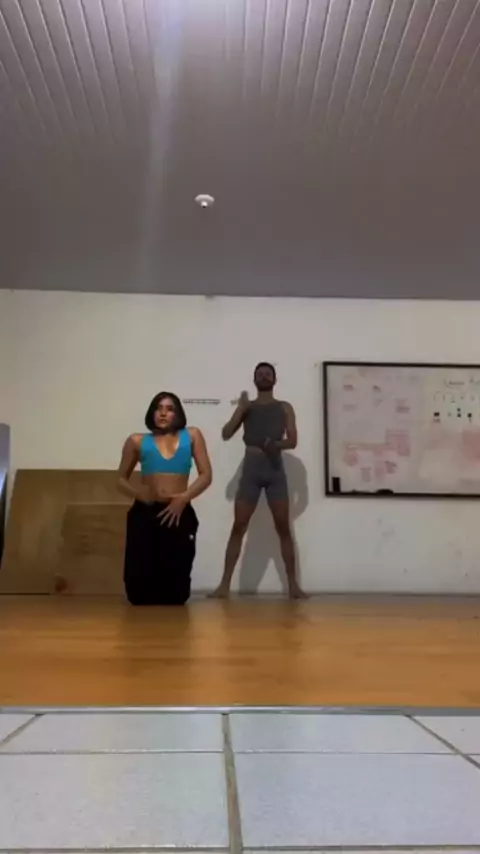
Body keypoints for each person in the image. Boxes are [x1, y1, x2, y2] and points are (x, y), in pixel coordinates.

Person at [210, 362, 307, 600]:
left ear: (275, 379)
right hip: (252, 469)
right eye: (260, 374)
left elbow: (293, 441)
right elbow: (226, 433)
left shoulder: (284, 407)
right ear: (254, 380)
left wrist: (276, 444)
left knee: (283, 527)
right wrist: (240, 409)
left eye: (268, 374)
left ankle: (293, 586)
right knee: (238, 526)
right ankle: (224, 585)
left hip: (274, 469)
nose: (264, 376)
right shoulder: (248, 407)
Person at [117, 392, 212, 605]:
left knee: (176, 591)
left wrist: (183, 498)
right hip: (146, 510)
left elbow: (206, 475)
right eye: (158, 408)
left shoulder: (192, 435)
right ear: (151, 413)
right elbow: (120, 479)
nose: (163, 413)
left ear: (178, 414)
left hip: (179, 510)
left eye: (169, 409)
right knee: (138, 589)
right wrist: (139, 494)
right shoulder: (137, 441)